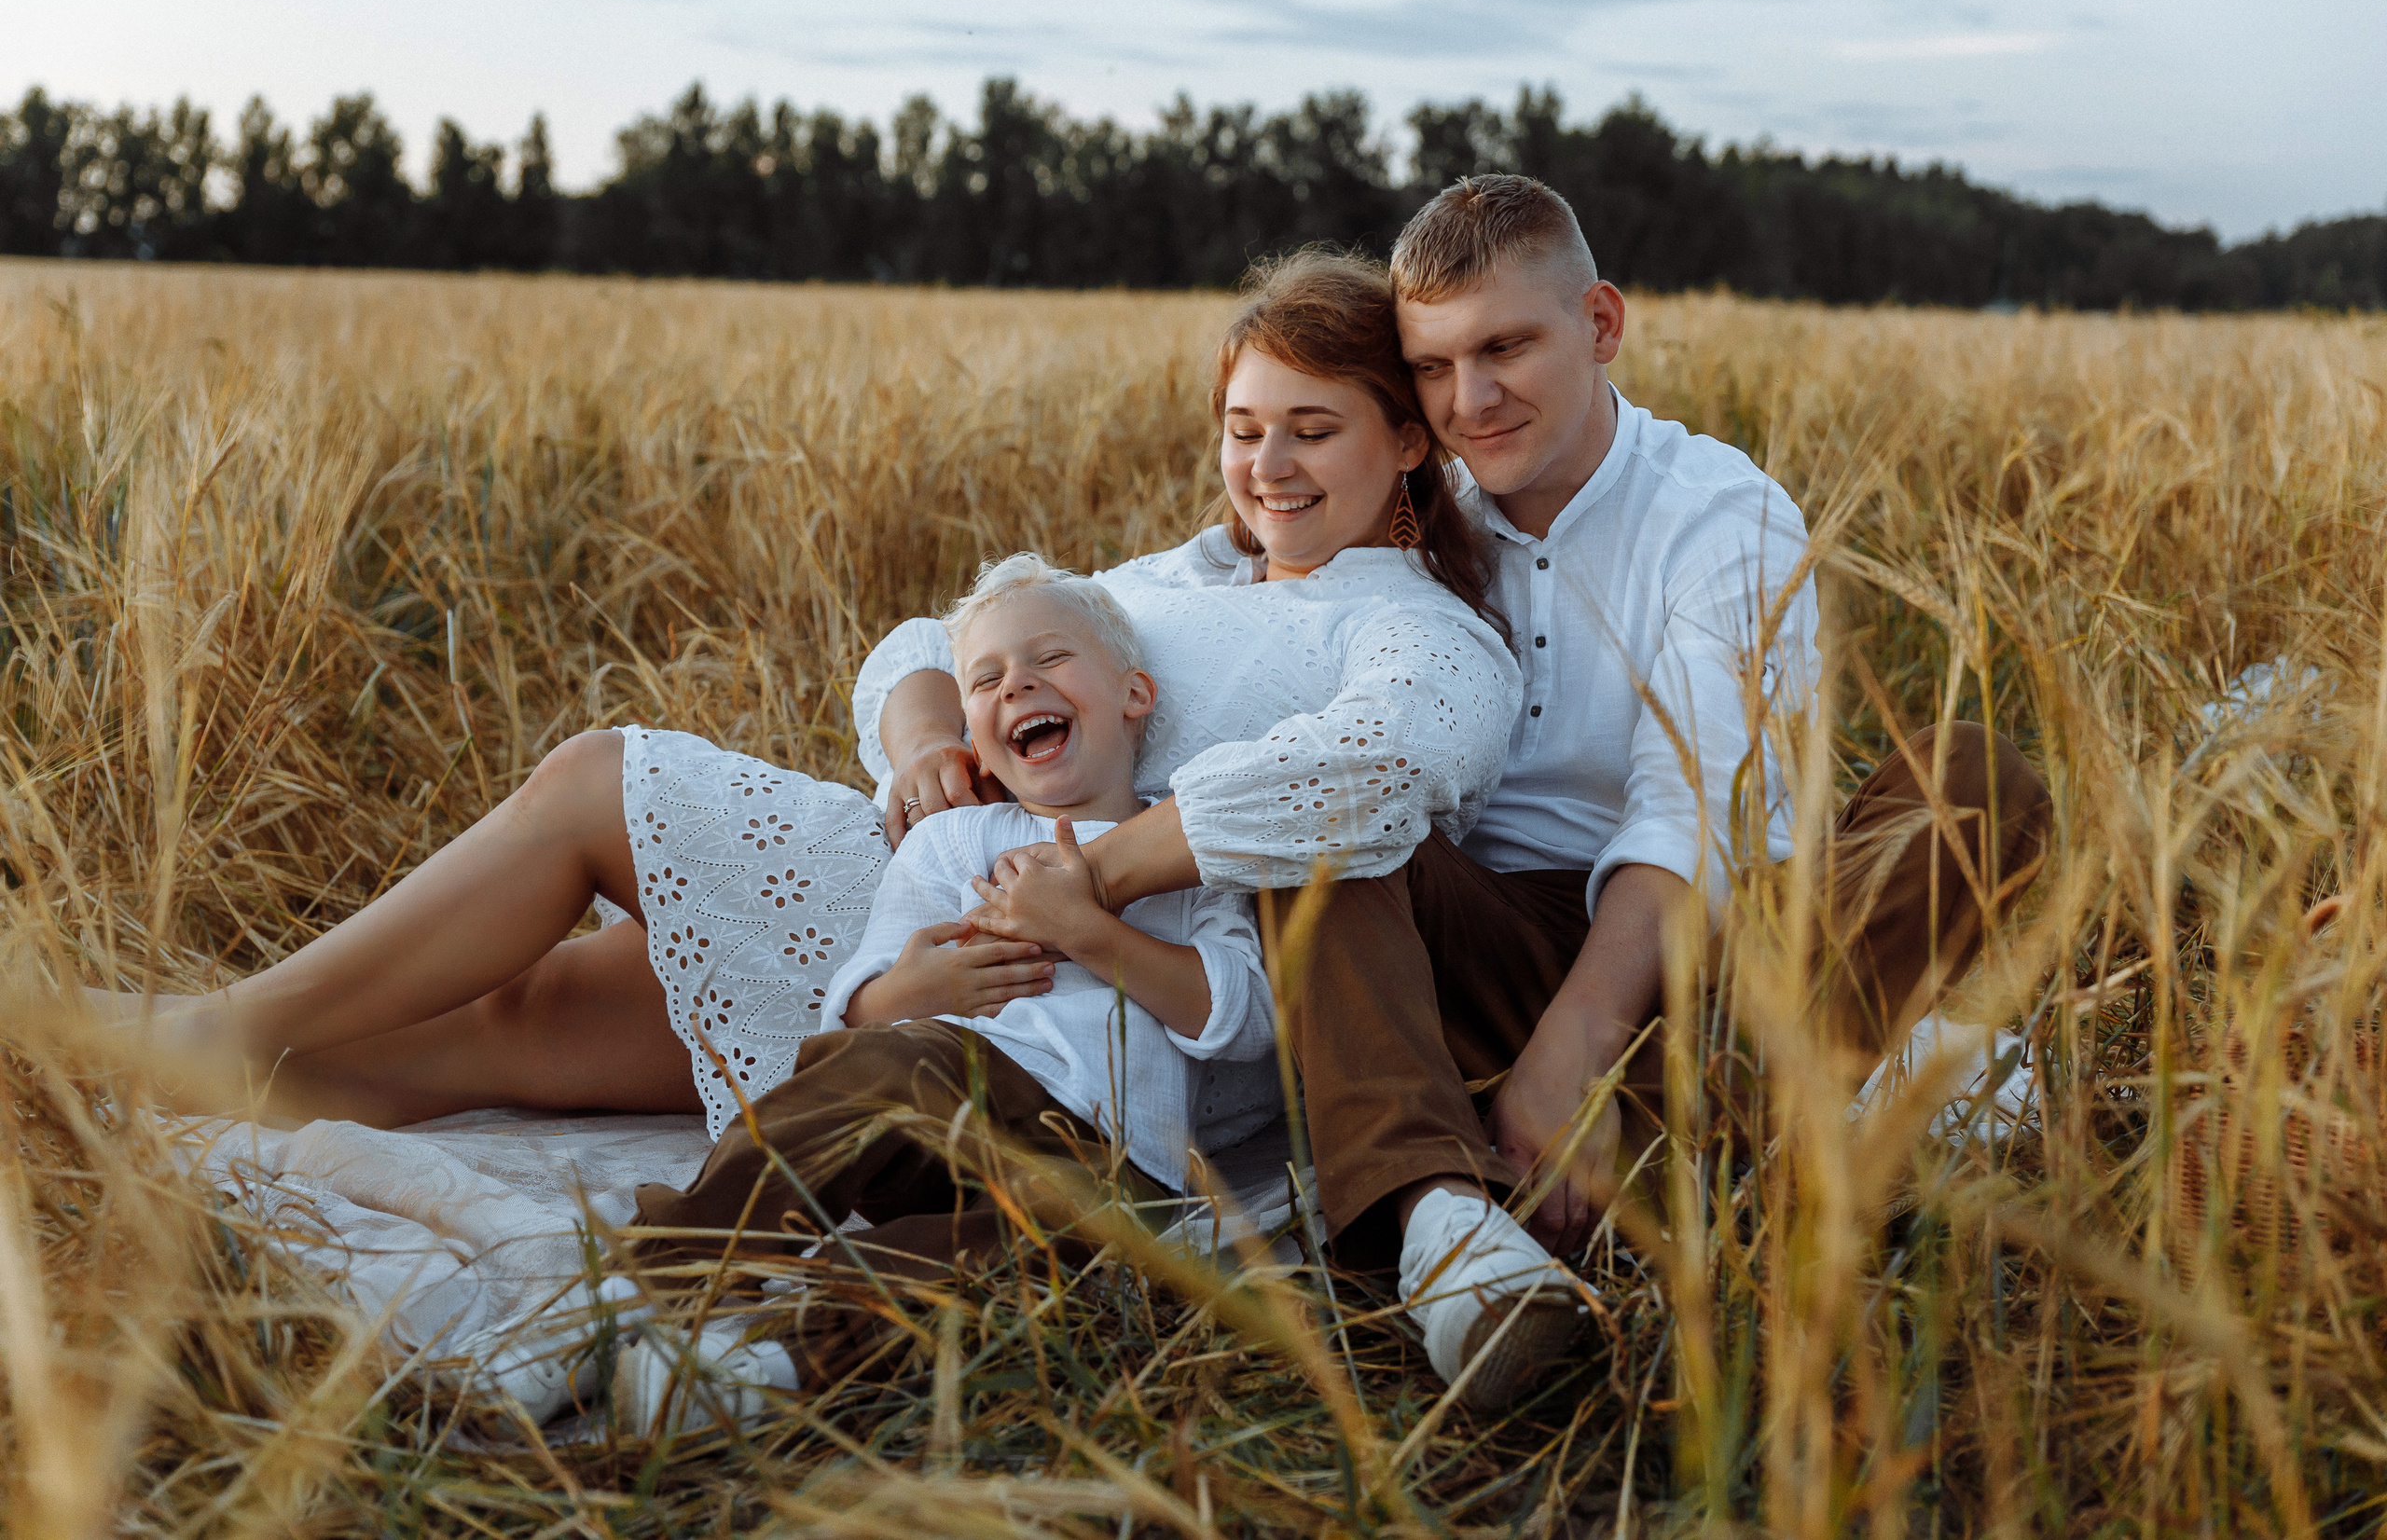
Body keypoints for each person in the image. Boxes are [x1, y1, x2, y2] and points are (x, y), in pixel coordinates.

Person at [107, 251, 1567, 1405]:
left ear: (1406, 447)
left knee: (531, 1024)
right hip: (905, 885)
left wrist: (1089, 881)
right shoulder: (1184, 570)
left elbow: (1370, 778)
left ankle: (165, 1052)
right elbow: (936, 635)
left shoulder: (1419, 629)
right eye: (1245, 430)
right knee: (572, 855)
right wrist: (931, 733)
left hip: (1070, 991)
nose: (1272, 468)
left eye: (1315, 431)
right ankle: (177, 1048)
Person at [887, 178, 2056, 1411]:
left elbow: (1690, 808)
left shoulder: (1715, 513)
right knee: (1326, 829)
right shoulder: (1379, 512)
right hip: (1456, 949)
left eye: (1506, 347)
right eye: (1434, 365)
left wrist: (1572, 1058)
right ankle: (1461, 1221)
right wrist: (934, 729)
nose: (1470, 399)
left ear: (1600, 323)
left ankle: (1549, 1149)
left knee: (1976, 779)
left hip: (1716, 947)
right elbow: (1013, 621)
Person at [464, 553, 1284, 1435]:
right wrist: (908, 989)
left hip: (1112, 1156)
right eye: (987, 678)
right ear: (971, 728)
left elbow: (1239, 1013)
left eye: (1049, 661)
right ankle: (642, 1283)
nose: (1018, 687)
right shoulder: (957, 841)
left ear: (1134, 694)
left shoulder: (1187, 847)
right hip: (945, 1081)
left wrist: (1094, 933)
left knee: (1040, 1257)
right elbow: (851, 1012)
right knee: (862, 1081)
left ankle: (761, 1366)